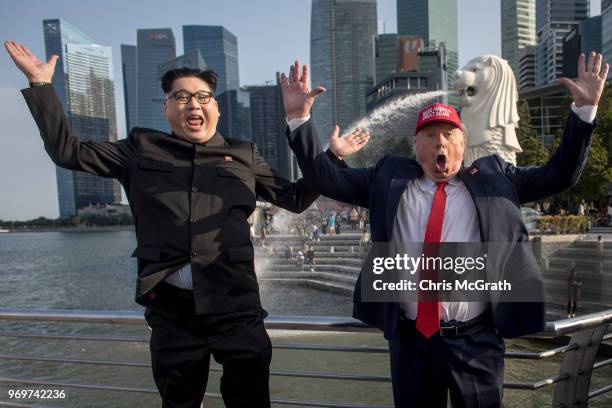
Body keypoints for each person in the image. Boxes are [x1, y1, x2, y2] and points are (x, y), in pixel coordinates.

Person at [4, 41, 366, 408]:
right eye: (181, 97)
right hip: (173, 313)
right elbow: (68, 151)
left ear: (217, 109)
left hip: (236, 306)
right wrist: (40, 86)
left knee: (251, 401)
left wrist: (331, 156)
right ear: (166, 108)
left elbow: (295, 199)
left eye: (203, 96)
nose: (193, 104)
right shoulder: (140, 147)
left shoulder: (244, 154)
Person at [279, 53, 606, 407]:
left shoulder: (496, 178)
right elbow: (323, 178)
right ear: (416, 145)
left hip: (476, 343)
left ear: (463, 144)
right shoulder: (387, 177)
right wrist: (300, 119)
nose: (441, 143)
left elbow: (560, 174)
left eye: (450, 135)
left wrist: (584, 112)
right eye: (430, 135)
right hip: (410, 341)